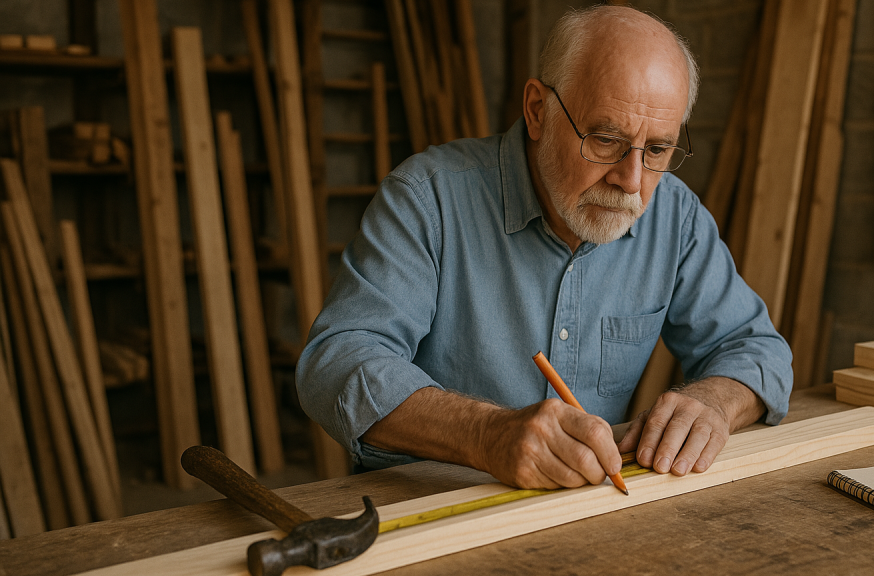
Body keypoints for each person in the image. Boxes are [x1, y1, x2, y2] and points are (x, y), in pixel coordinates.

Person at [296, 4, 792, 490]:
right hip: (427, 513)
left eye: (658, 150)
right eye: (604, 139)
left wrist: (713, 401)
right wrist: (483, 434)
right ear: (537, 111)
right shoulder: (428, 200)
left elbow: (758, 350)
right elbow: (338, 361)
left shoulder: (675, 217)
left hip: (578, 513)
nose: (632, 181)